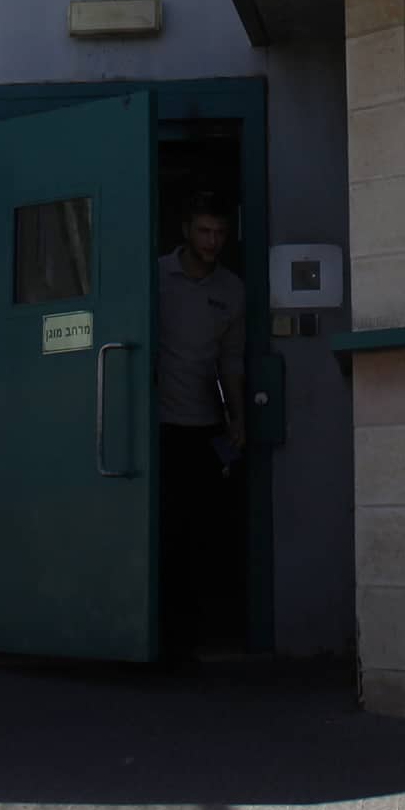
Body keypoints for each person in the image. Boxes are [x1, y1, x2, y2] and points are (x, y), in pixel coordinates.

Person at [155, 196, 244, 657]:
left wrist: (237, 418)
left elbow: (230, 361)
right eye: (205, 231)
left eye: (221, 233)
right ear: (188, 229)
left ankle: (193, 635)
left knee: (203, 532)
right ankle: (158, 633)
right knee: (162, 529)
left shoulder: (231, 290)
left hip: (205, 425)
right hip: (157, 426)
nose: (213, 241)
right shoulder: (156, 277)